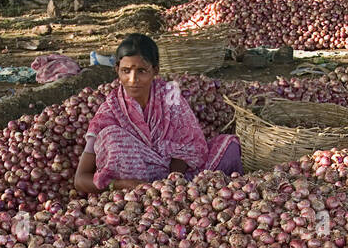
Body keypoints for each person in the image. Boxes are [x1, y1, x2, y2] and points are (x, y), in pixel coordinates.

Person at [73, 33, 242, 195]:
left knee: (229, 146)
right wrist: (116, 185)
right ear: (117, 70)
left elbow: (187, 146)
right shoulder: (110, 111)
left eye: (142, 71)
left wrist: (170, 183)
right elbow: (80, 179)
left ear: (155, 70)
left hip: (172, 181)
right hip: (131, 190)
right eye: (126, 71)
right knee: (112, 137)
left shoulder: (169, 96)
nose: (133, 79)